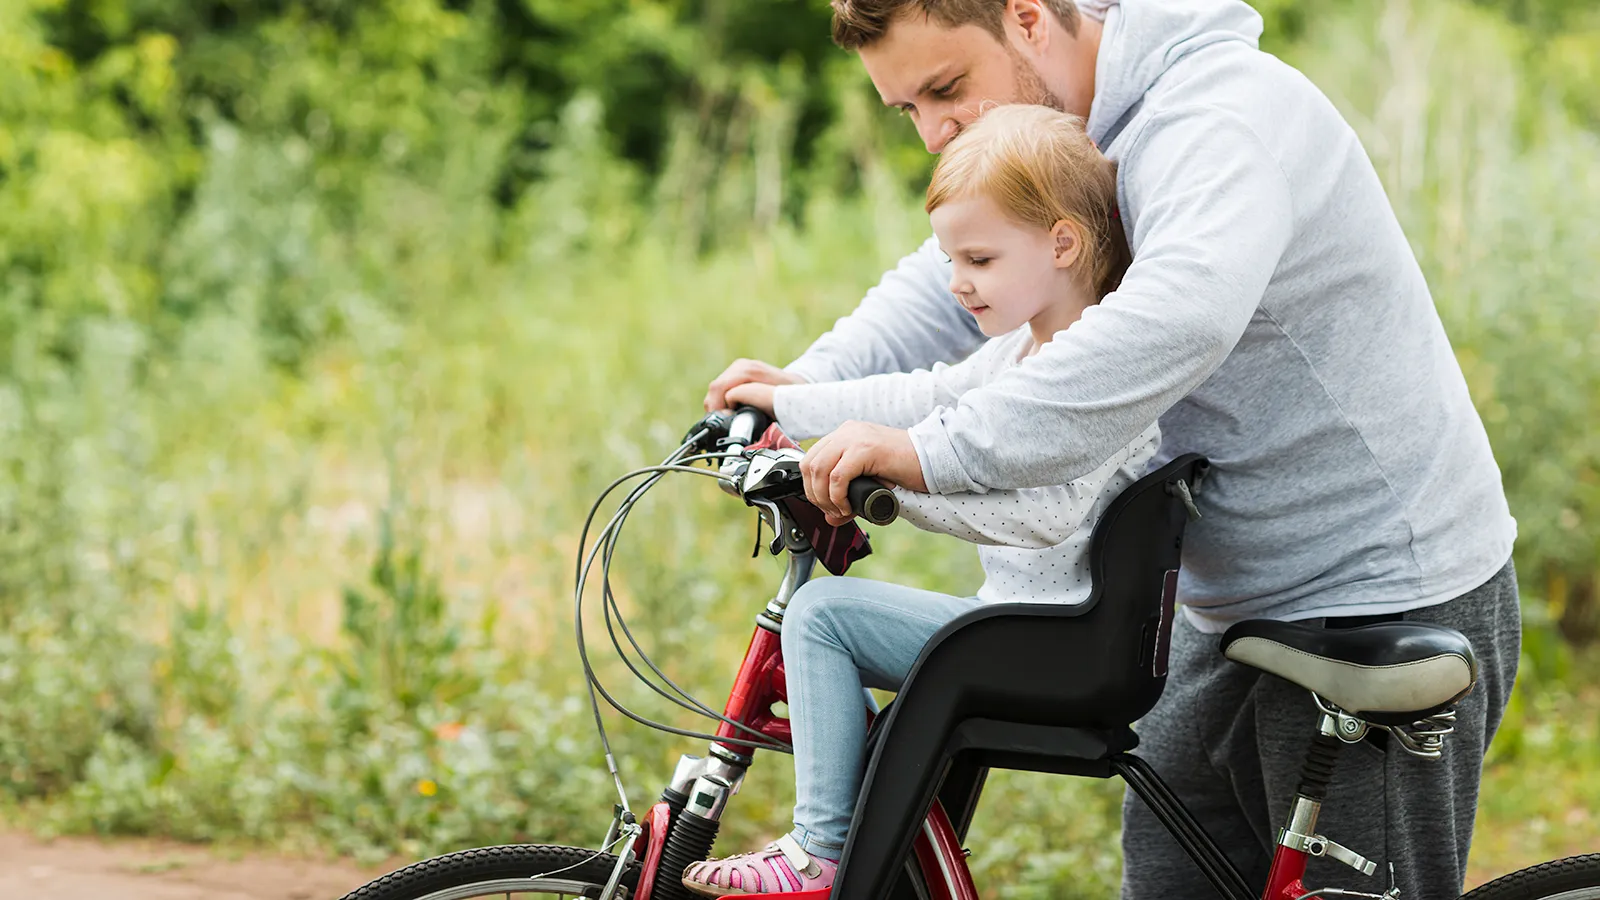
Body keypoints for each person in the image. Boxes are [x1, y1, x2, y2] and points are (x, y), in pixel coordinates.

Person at [702, 1, 1521, 897]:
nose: (936, 133)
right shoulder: (1070, 143)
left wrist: (929, 454)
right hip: (1217, 608)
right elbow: (971, 272)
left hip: (1373, 588)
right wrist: (796, 394)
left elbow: (1174, 320)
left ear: (1025, 18)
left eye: (946, 88)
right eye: (909, 110)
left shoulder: (1212, 118)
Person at [682, 105, 1154, 898]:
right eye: (950, 259)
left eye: (978, 257)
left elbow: (1044, 513)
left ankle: (818, 853)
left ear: (1063, 244)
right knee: (833, 624)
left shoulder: (1092, 369)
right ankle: (867, 844)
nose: (957, 282)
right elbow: (926, 393)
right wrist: (795, 400)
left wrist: (894, 490)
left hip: (1059, 642)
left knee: (824, 617)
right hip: (1028, 627)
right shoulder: (1025, 348)